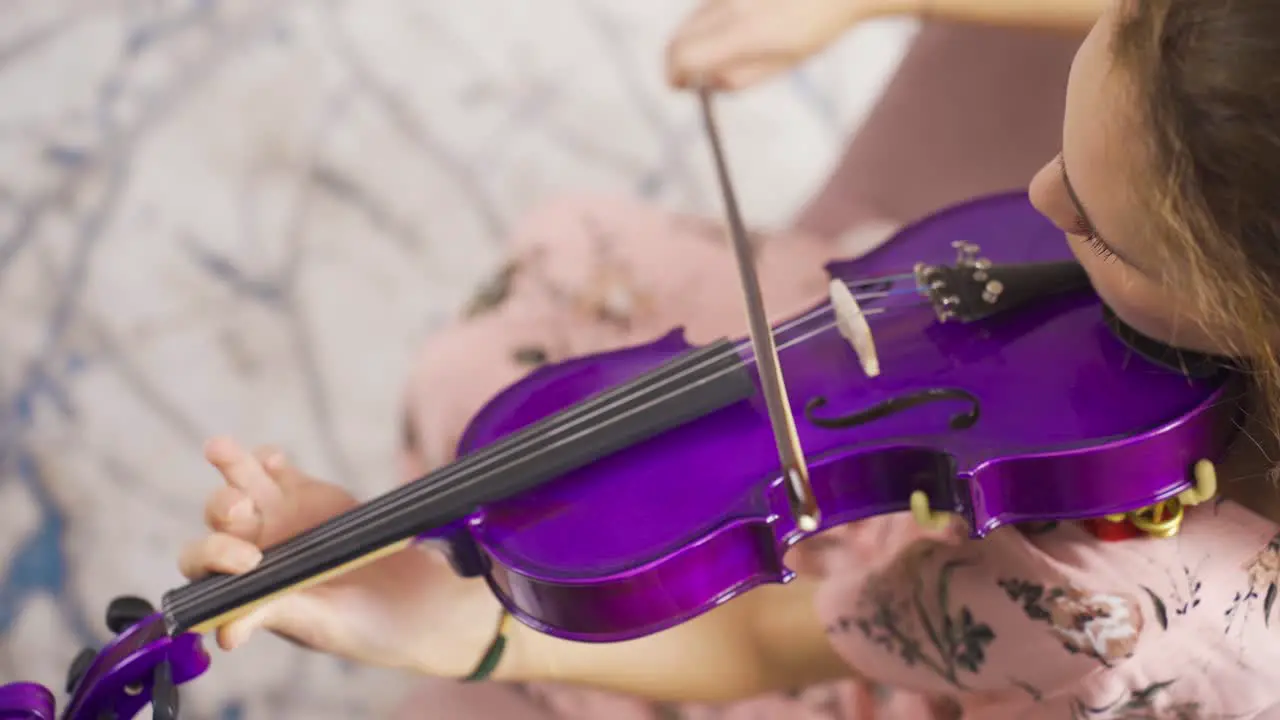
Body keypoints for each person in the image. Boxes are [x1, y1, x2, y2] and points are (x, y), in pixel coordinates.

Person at [178, 0, 1280, 717]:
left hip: (950, 648)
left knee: (523, 407)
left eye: (1096, 226)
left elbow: (757, 644)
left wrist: (452, 627)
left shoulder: (1113, 608)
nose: (1030, 201)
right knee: (571, 283)